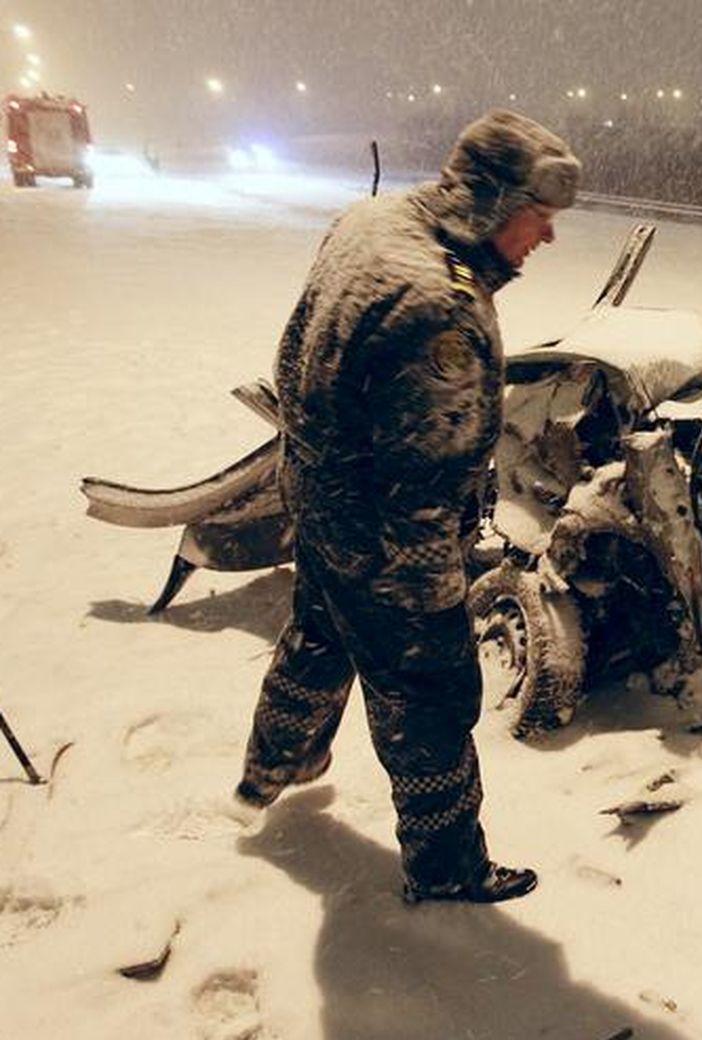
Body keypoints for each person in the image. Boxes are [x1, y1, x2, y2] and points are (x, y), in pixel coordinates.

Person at [233, 110, 581, 904]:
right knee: (429, 696)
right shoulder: (444, 310)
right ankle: (447, 865)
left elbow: (293, 359)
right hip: (388, 537)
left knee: (321, 632)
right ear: (494, 203)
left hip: (321, 495)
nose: (548, 239)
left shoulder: (371, 220)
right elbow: (420, 489)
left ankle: (270, 768)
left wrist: (323, 475)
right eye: (541, 217)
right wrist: (434, 605)